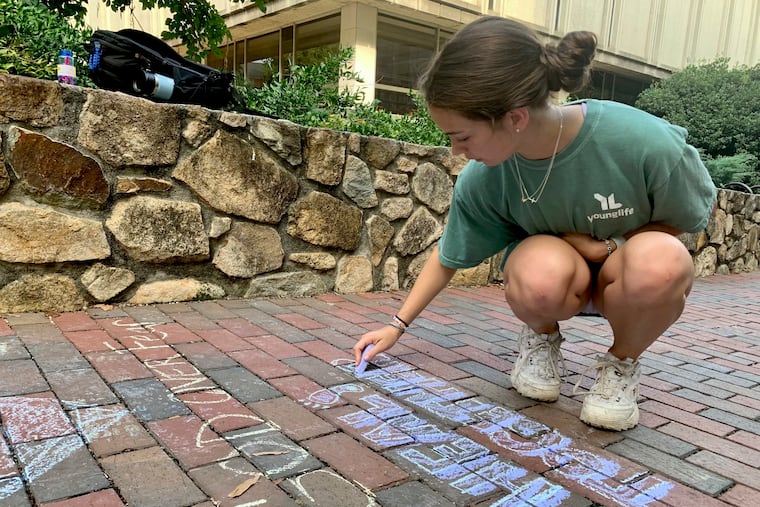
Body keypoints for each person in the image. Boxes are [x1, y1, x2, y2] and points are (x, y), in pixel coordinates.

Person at [353, 15, 717, 431]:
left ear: (516, 118)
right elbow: (450, 254)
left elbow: (686, 220)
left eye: (463, 136)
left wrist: (610, 247)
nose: (455, 151)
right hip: (559, 280)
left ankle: (621, 364)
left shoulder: (642, 141)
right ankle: (542, 338)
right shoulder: (487, 175)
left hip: (631, 277)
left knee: (663, 260)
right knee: (536, 267)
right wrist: (396, 326)